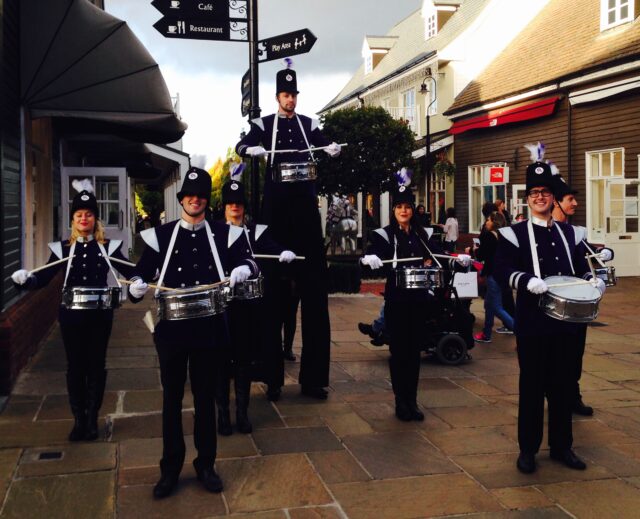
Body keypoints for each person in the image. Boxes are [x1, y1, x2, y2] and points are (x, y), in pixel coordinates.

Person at [128, 167, 259, 498]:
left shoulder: (223, 233)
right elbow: (138, 277)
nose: (195, 200)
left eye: (201, 195)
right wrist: (136, 287)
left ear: (206, 201)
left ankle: (206, 465)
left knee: (205, 398)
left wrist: (243, 267)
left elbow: (251, 262)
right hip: (172, 330)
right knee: (171, 400)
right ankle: (170, 469)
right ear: (182, 198)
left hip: (210, 329)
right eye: (190, 194)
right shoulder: (162, 234)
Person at [494, 143, 606, 474]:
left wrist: (593, 280)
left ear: (552, 198)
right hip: (533, 323)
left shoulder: (571, 233)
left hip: (566, 324)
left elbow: (583, 266)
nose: (540, 197)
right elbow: (500, 269)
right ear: (527, 199)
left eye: (545, 192)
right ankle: (528, 450)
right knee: (531, 387)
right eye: (534, 193)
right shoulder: (513, 234)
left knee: (561, 385)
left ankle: (562, 447)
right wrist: (525, 279)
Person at [235, 59, 341, 400]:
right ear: (277, 96)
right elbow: (241, 144)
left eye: (293, 95)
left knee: (314, 298)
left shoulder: (310, 124)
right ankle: (273, 377)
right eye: (285, 94)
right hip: (276, 213)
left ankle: (313, 380)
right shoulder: (264, 124)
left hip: (306, 215)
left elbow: (325, 141)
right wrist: (247, 149)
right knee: (272, 300)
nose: (290, 100)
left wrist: (332, 147)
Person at [11, 180, 134, 442]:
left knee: (96, 365)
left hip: (100, 316)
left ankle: (92, 420)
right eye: (79, 215)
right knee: (76, 366)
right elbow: (42, 278)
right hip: (71, 316)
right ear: (73, 219)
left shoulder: (108, 247)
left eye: (88, 214)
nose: (83, 218)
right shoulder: (63, 249)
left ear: (95, 218)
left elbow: (132, 273)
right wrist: (25, 279)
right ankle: (79, 420)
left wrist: (139, 282)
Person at [360, 171, 471, 421]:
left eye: (407, 207)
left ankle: (413, 400)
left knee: (414, 353)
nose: (403, 210)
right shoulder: (384, 235)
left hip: (420, 302)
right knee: (399, 353)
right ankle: (401, 401)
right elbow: (369, 261)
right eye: (398, 206)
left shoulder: (424, 235)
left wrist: (459, 261)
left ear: (412, 210)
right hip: (397, 303)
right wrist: (370, 260)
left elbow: (442, 258)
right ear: (394, 210)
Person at [216, 168, 296, 434]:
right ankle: (223, 415)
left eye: (239, 204)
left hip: (251, 304)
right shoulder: (214, 232)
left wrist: (282, 252)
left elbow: (271, 248)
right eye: (230, 204)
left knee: (244, 357)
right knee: (221, 357)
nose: (235, 208)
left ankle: (242, 412)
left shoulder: (256, 230)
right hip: (222, 304)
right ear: (224, 207)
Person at [551, 173, 614, 417]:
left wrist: (601, 260)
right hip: (554, 305)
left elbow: (586, 259)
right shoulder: (547, 231)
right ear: (556, 202)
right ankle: (556, 394)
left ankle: (572, 395)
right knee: (556, 356)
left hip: (578, 304)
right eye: (569, 199)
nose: (575, 203)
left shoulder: (575, 232)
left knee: (575, 352)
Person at [473, 211, 514, 342]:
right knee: (488, 305)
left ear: (494, 222)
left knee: (496, 306)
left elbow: (481, 255)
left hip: (493, 274)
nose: (486, 222)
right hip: (503, 274)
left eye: (489, 220)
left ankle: (520, 331)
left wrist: (473, 250)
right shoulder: (504, 236)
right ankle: (486, 334)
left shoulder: (488, 236)